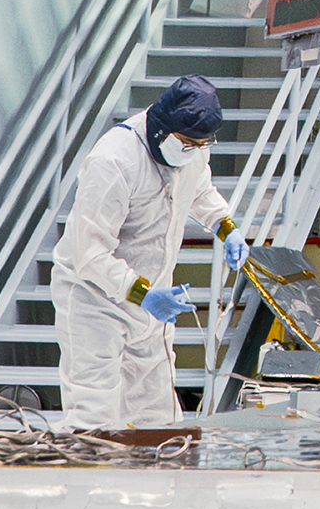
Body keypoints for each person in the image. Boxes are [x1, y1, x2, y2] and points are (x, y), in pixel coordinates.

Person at [52, 73, 230, 431]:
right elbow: (89, 252)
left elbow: (200, 190)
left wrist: (227, 227)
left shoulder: (191, 149)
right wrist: (142, 294)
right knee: (94, 414)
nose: (195, 150)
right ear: (162, 127)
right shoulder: (114, 161)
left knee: (158, 417)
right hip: (95, 301)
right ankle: (91, 483)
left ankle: (153, 486)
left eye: (202, 144)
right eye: (187, 142)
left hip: (150, 303)